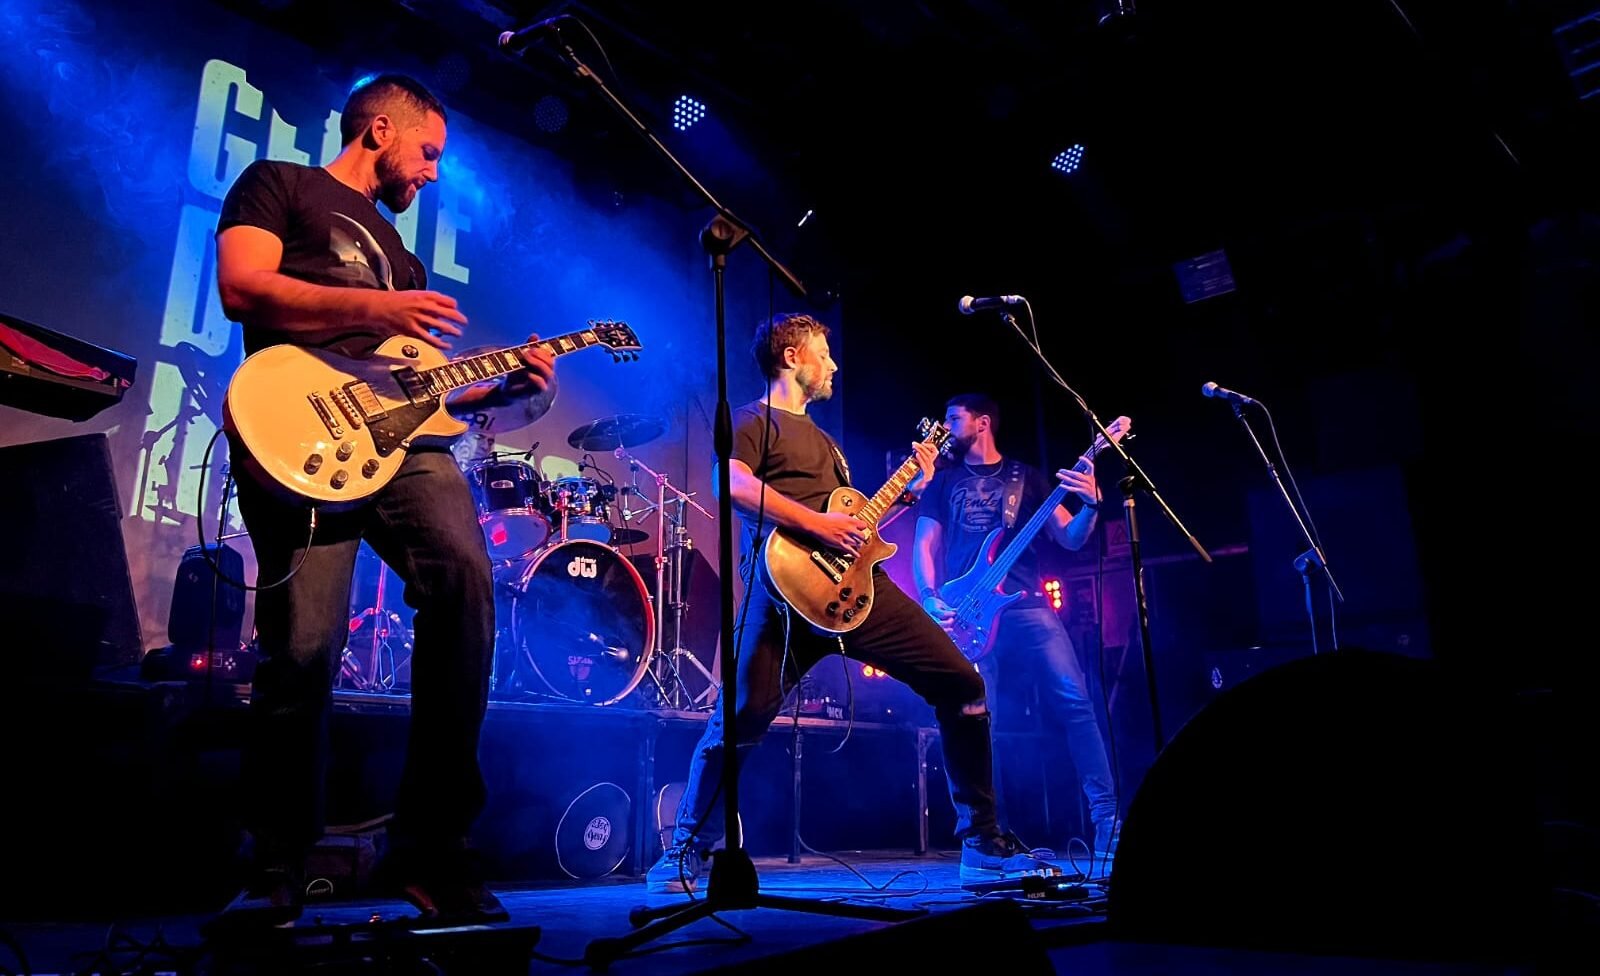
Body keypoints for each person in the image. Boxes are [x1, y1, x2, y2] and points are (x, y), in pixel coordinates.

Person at [209, 74, 556, 930]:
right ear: (378, 130)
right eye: (428, 152)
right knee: (303, 650)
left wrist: (506, 390)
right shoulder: (279, 184)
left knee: (467, 584)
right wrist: (377, 305)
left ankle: (432, 849)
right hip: (299, 434)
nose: (433, 172)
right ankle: (276, 864)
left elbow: (421, 393)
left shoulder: (402, 255)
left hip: (404, 450)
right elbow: (242, 287)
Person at [646, 313, 1062, 893]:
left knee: (963, 684)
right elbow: (731, 484)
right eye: (824, 353)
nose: (834, 364)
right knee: (739, 717)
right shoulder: (749, 421)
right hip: (782, 592)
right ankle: (687, 850)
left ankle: (982, 844)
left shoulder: (827, 444)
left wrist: (907, 495)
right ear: (792, 357)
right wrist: (818, 523)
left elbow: (856, 532)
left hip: (856, 591)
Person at [911, 394, 1120, 860]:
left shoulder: (1026, 478)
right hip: (965, 611)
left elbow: (1069, 537)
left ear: (982, 422)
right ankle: (991, 836)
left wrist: (1090, 505)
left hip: (1026, 606)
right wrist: (928, 597)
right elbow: (924, 546)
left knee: (1076, 702)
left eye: (954, 418)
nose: (945, 426)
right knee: (978, 723)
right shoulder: (942, 481)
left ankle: (1108, 822)